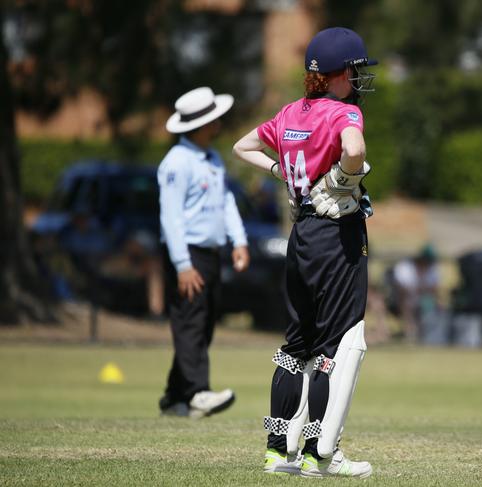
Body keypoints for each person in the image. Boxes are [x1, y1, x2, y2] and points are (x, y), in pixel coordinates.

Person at [233, 27, 376, 478]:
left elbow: (243, 147)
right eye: (353, 70)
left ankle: (278, 449)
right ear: (337, 74)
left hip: (302, 235)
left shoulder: (292, 111)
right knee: (338, 347)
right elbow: (354, 150)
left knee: (295, 347)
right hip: (337, 239)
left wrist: (281, 170)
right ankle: (321, 453)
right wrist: (343, 178)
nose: (356, 78)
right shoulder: (344, 112)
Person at [157, 87, 250, 418]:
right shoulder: (176, 163)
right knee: (190, 323)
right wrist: (182, 264)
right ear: (199, 126)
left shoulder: (212, 158)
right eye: (214, 120)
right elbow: (170, 217)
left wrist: (238, 241)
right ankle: (197, 392)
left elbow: (225, 202)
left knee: (205, 322)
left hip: (210, 254)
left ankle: (173, 397)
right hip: (187, 255)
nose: (219, 124)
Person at [391, 244, 440, 341]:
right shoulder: (405, 267)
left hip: (424, 300)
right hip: (403, 299)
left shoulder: (432, 269)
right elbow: (401, 288)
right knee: (407, 301)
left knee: (435, 304)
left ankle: (427, 334)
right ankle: (410, 330)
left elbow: (434, 289)